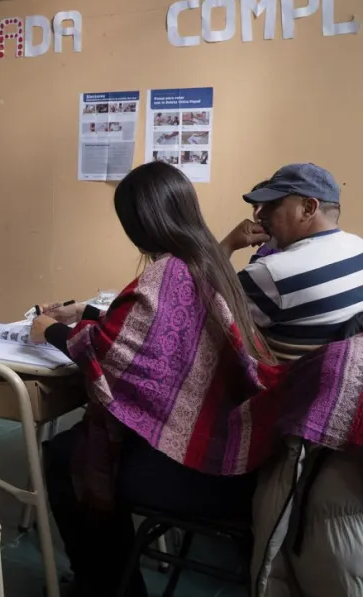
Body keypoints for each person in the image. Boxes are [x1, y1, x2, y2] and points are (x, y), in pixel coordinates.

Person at [31, 162, 363, 597]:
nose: (261, 218)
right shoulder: (214, 259)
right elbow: (174, 320)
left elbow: (116, 352)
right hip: (288, 446)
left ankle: (110, 587)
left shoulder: (260, 272)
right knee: (83, 447)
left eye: (271, 208)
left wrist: (49, 331)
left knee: (72, 459)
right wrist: (92, 313)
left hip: (231, 464)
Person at [221, 164, 363, 360]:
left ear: (308, 208)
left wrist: (227, 245)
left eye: (273, 204)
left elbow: (203, 308)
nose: (260, 215)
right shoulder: (358, 247)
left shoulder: (271, 273)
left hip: (290, 385)